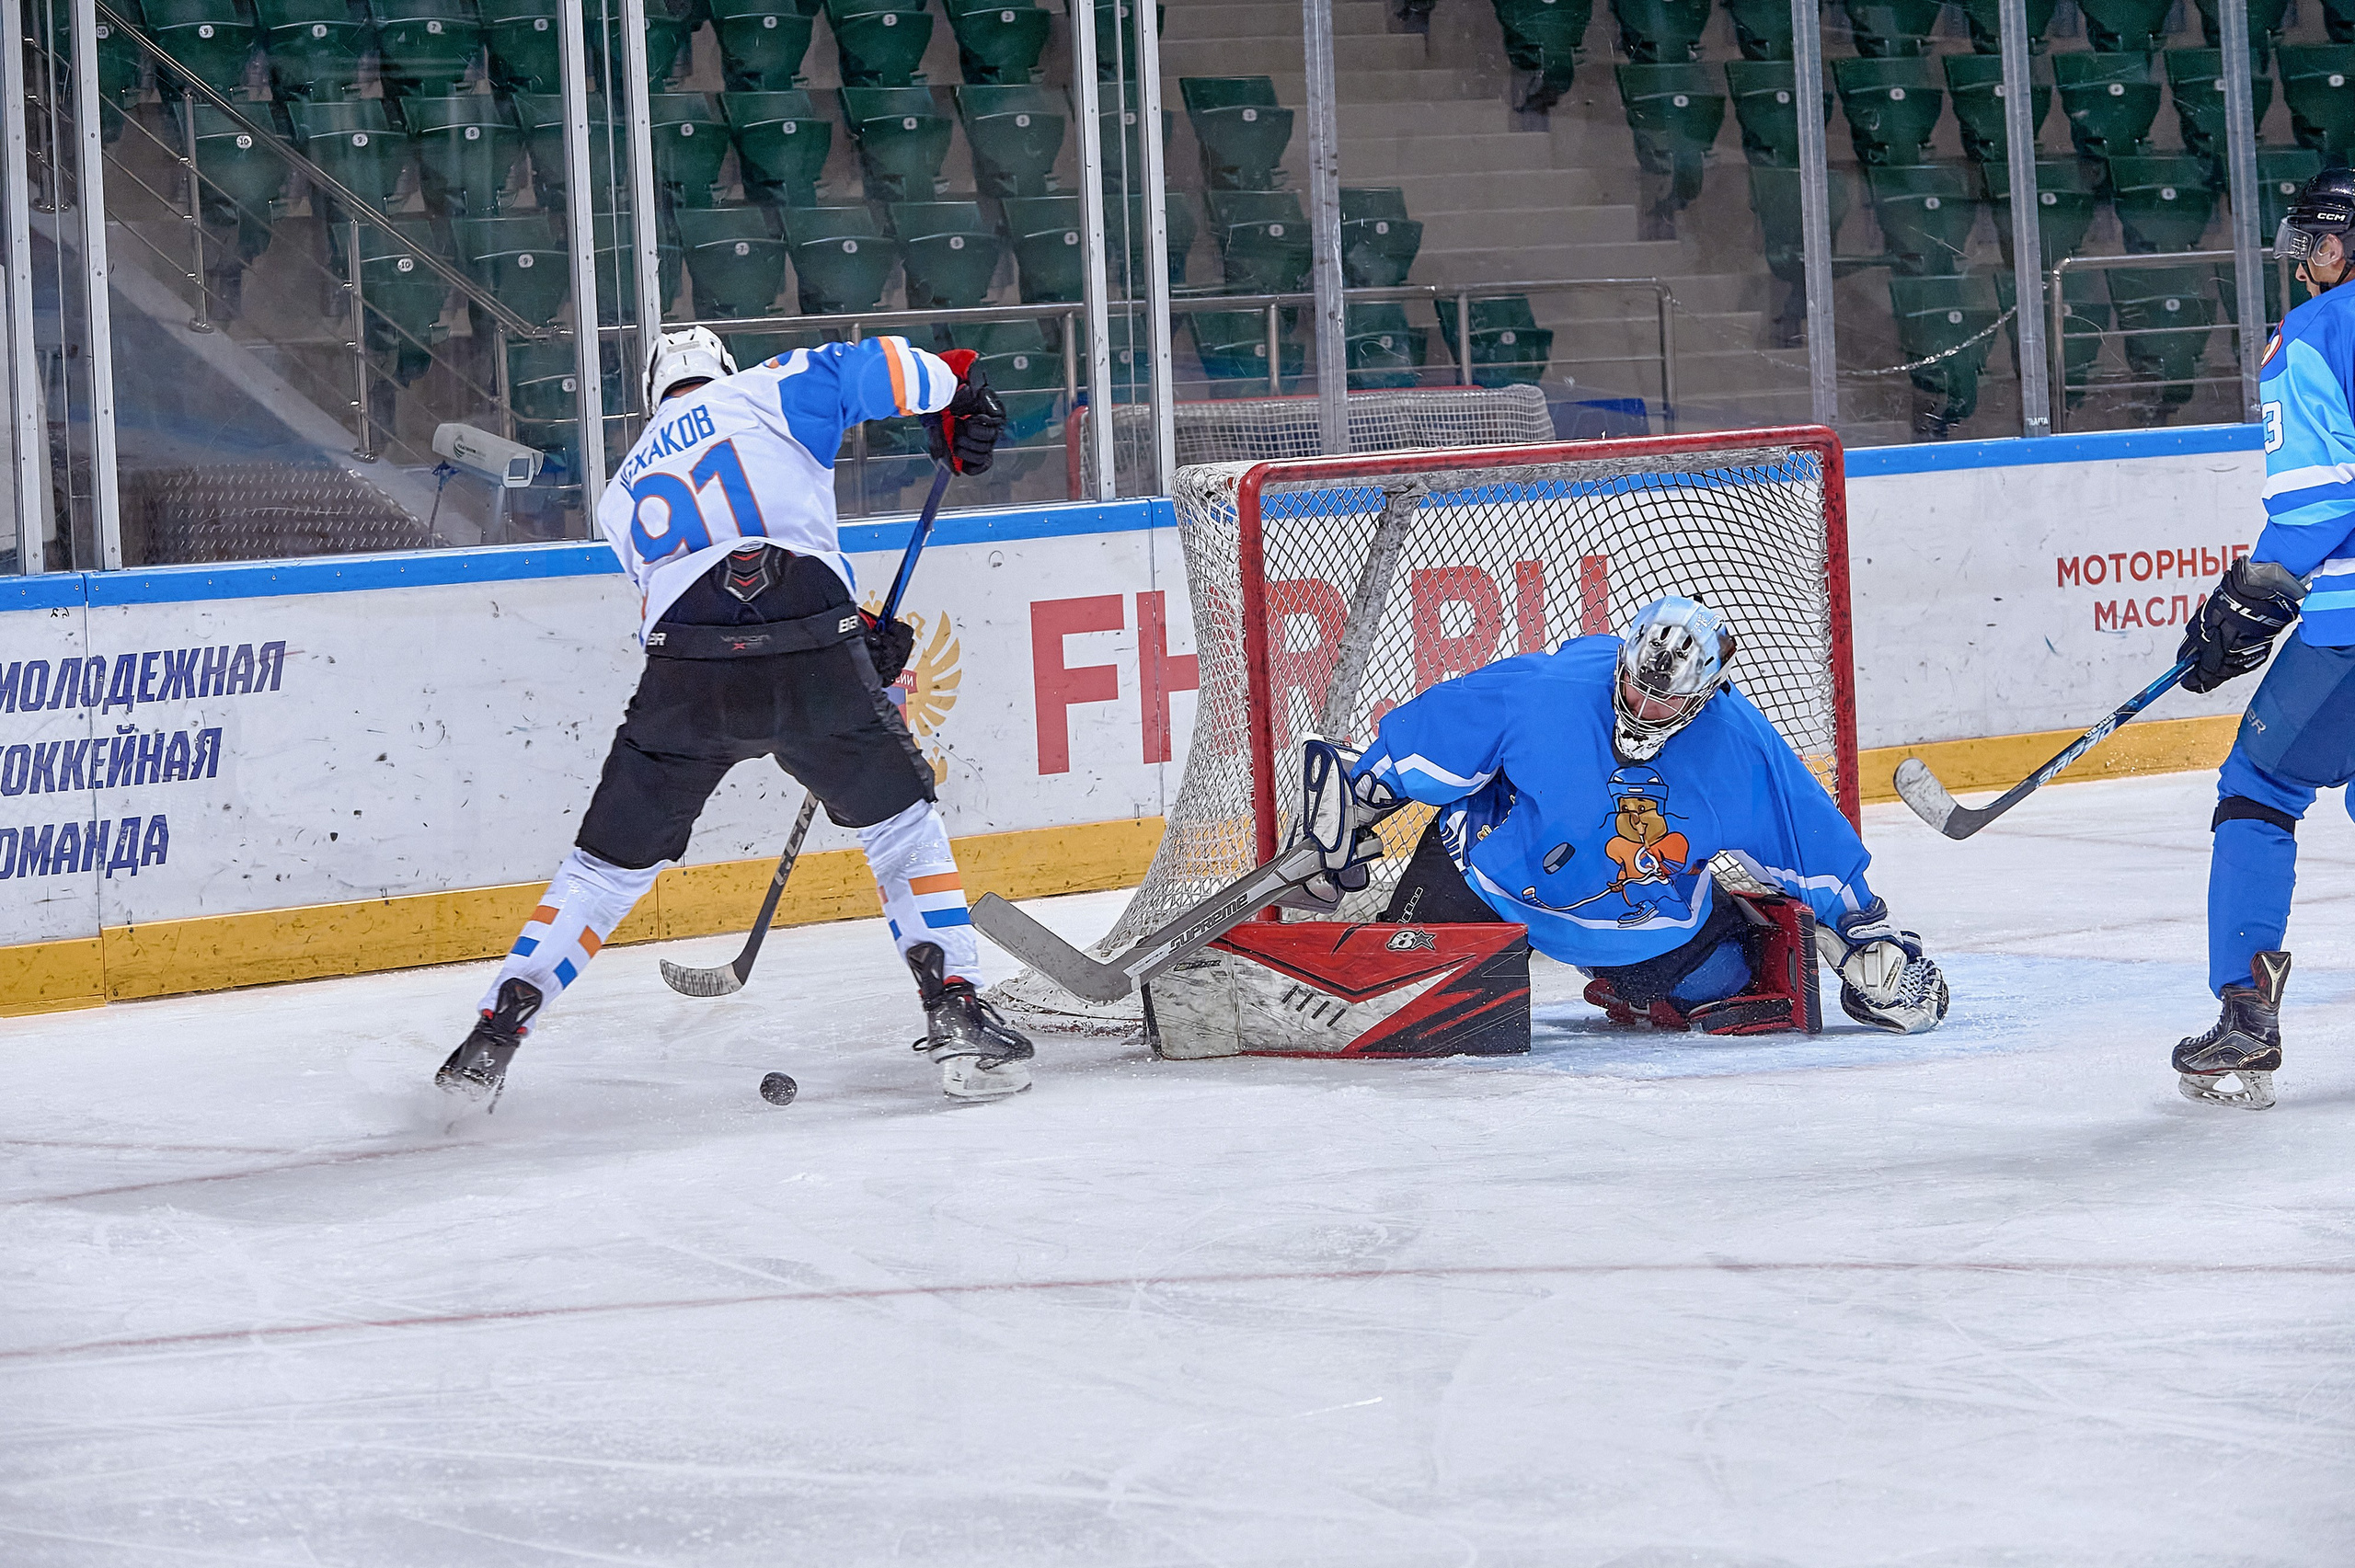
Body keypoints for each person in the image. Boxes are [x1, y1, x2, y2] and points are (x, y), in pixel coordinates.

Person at [436, 326, 1035, 1107]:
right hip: (811, 648)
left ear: (652, 397)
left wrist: (846, 635)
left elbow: (700, 591)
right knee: (900, 828)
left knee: (602, 872)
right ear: (724, 369)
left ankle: (492, 1036)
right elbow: (879, 368)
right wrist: (953, 387)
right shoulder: (768, 386)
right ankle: (955, 1011)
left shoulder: (621, 491)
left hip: (687, 676)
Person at [1302, 596, 1948, 1036]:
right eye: (1638, 684)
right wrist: (1364, 793)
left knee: (1729, 981)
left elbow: (1804, 836)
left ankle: (1619, 977)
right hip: (1490, 882)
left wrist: (1868, 936)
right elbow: (1443, 732)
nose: (1644, 706)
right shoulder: (1549, 688)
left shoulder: (1738, 746)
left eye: (1666, 699)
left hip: (1637, 921)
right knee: (1401, 1000)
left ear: (1705, 694)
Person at [2165, 166, 2355, 1109]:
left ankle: (2246, 1013)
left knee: (2259, 786)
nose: (2307, 259)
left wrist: (2252, 595)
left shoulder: (2316, 332)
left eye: (2316, 240)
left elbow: (2319, 500)